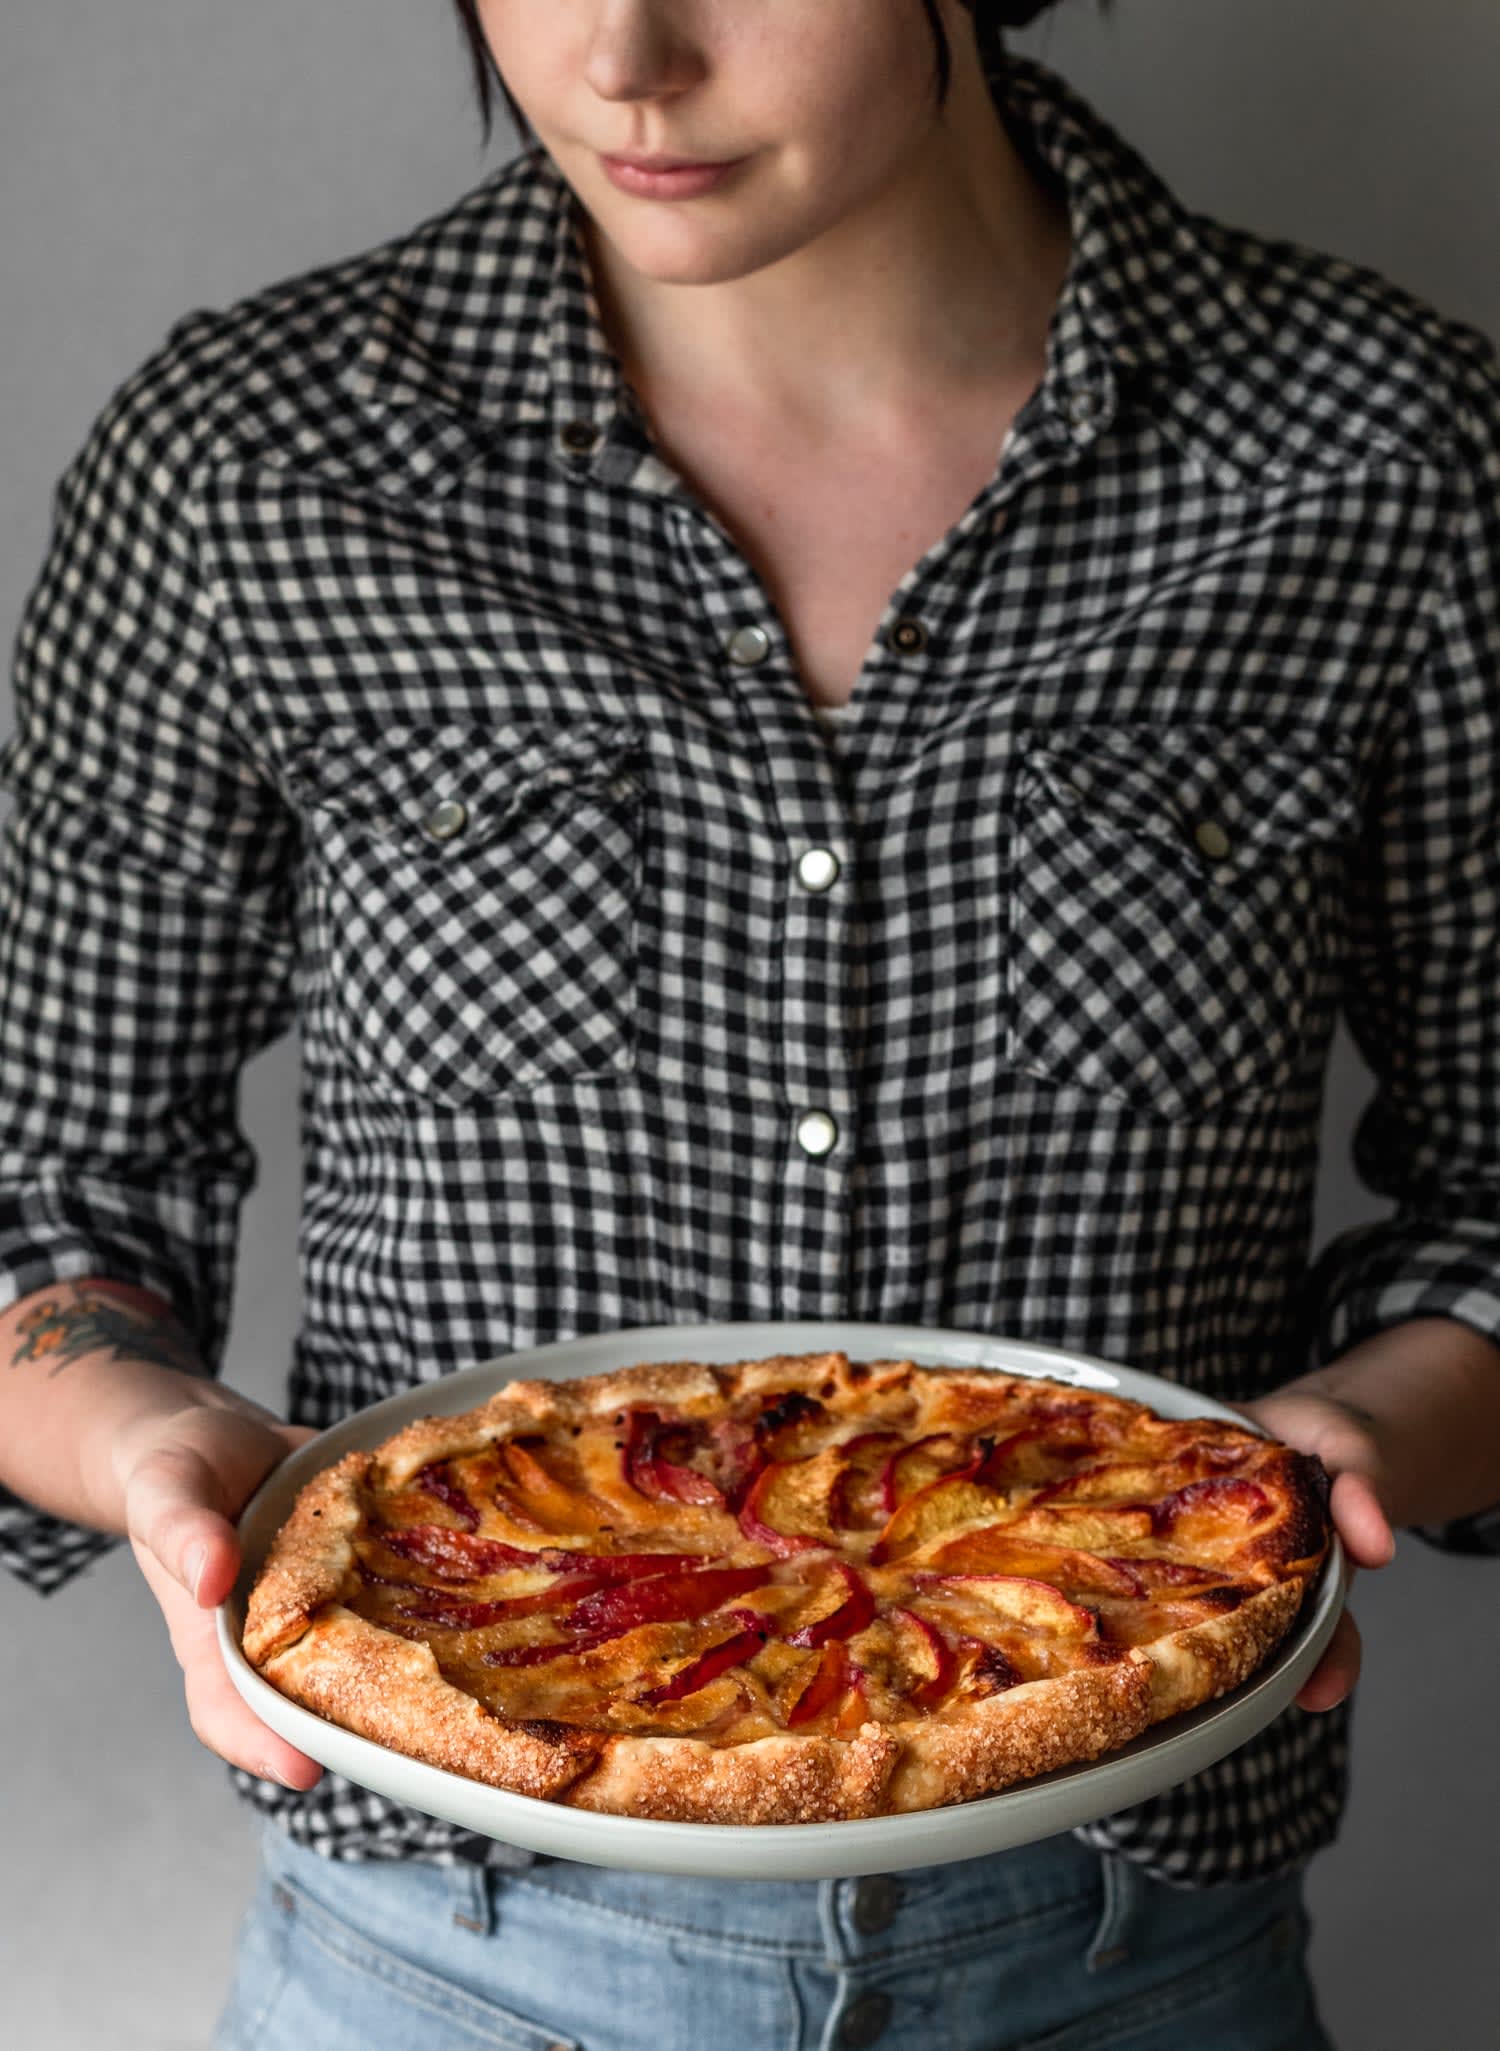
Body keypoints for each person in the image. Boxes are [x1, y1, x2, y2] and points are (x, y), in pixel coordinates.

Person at [3, 2, 1499, 2044]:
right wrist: (161, 1446)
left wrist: (1341, 1452)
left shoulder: (1384, 451)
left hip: (1129, 1959)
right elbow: (45, 1194)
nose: (626, 54)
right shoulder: (251, 464)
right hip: (437, 1961)